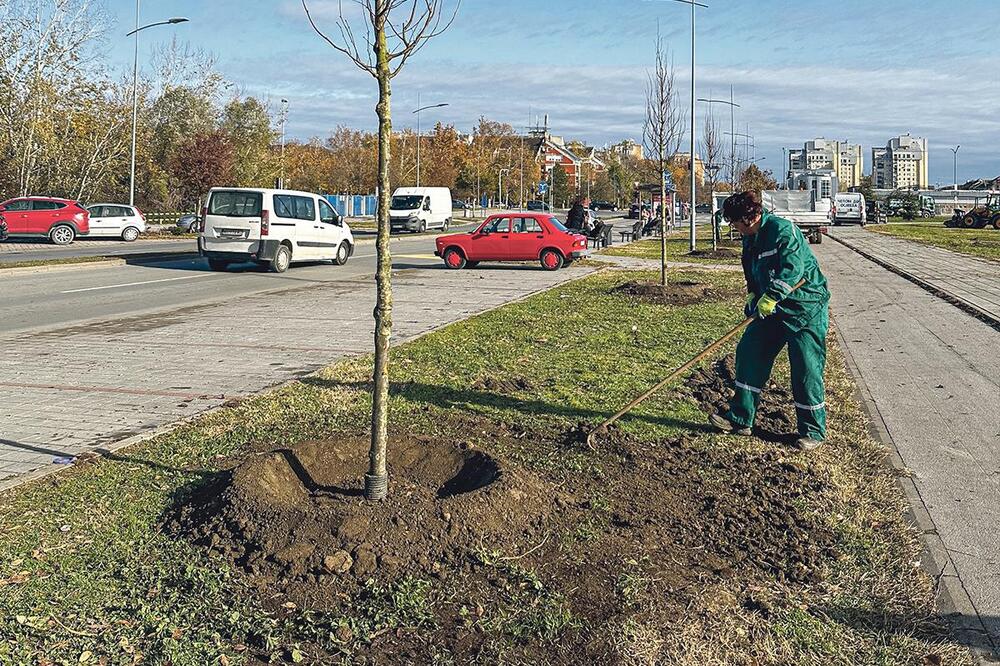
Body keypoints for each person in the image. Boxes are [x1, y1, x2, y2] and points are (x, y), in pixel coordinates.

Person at [708, 190, 831, 451]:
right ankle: (740, 418)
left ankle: (812, 431)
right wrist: (754, 293)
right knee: (749, 352)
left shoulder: (782, 231)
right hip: (771, 309)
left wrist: (772, 296)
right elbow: (750, 268)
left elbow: (793, 269)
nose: (735, 228)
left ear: (749, 218)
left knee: (806, 369)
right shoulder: (749, 239)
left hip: (804, 309)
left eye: (735, 223)